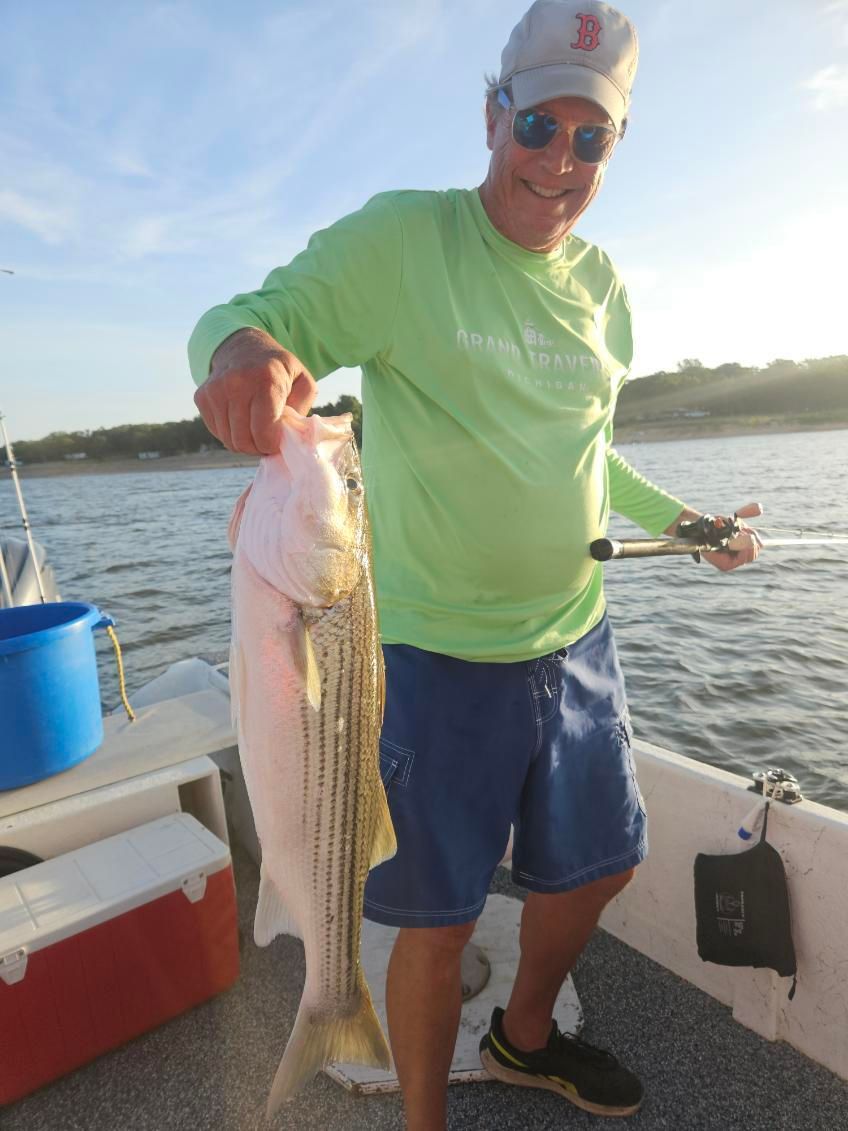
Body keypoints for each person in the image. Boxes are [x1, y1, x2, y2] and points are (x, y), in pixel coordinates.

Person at [188, 2, 760, 1126]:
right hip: (432, 657)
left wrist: (688, 523)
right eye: (538, 123)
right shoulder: (407, 239)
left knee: (603, 862)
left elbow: (591, 454)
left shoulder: (603, 291)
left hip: (574, 637)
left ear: (612, 150)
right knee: (437, 918)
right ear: (493, 113)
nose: (556, 159)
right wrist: (244, 354)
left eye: (588, 138)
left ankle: (523, 1037)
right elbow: (253, 315)